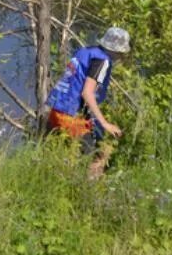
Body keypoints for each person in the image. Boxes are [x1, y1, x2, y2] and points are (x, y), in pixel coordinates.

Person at [46, 26, 131, 178]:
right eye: (121, 53)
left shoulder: (85, 52)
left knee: (77, 153)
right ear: (117, 51)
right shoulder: (102, 61)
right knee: (95, 158)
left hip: (56, 110)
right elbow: (87, 93)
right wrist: (105, 123)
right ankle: (89, 194)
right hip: (69, 116)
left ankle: (68, 183)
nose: (121, 57)